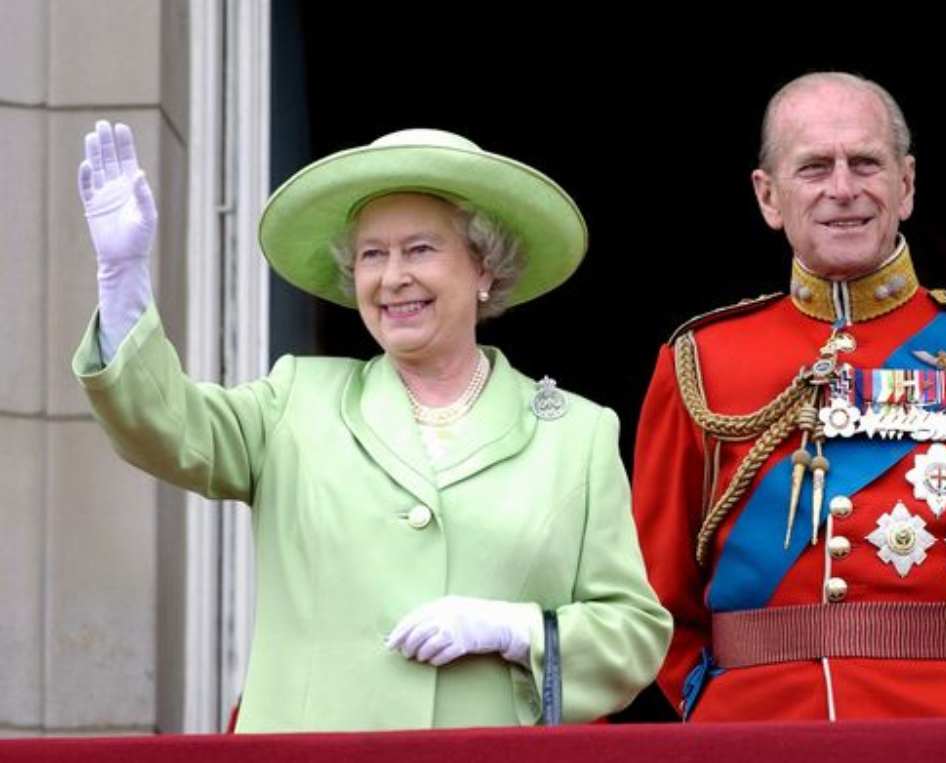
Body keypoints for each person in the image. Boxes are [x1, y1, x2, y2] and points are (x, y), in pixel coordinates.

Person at [72, 121, 670, 731]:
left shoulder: (574, 435)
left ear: (485, 268)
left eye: (420, 250)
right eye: (371, 255)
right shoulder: (295, 400)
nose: (392, 277)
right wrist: (124, 282)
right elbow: (165, 427)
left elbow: (634, 633)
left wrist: (517, 630)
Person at [631, 72, 946, 721]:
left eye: (865, 163)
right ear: (768, 196)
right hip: (752, 730)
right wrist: (713, 709)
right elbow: (653, 599)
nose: (843, 189)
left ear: (906, 185)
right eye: (814, 167)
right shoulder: (699, 361)